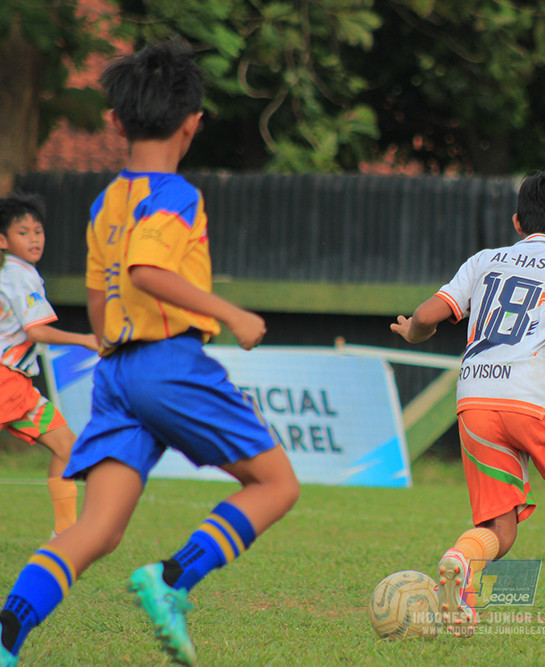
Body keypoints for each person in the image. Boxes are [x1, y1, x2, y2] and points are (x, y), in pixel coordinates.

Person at [0, 40, 300, 667]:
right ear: (192, 123)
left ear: (115, 122)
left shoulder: (105, 201)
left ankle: (7, 634)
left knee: (97, 529)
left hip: (115, 373)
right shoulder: (176, 194)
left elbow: (97, 292)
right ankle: (173, 578)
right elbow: (146, 268)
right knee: (274, 484)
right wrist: (232, 313)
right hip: (168, 364)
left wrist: (112, 341)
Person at [391, 169, 545, 650]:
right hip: (533, 401)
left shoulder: (485, 261)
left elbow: (426, 316)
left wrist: (410, 333)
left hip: (475, 402)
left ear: (517, 221)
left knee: (498, 526)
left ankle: (461, 561)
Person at [0, 193, 98, 536]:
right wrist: (86, 339)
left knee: (66, 447)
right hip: (5, 381)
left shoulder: (15, 273)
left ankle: (65, 537)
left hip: (16, 385)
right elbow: (37, 330)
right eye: (22, 232)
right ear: (3, 240)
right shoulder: (20, 276)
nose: (33, 239)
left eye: (37, 231)